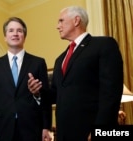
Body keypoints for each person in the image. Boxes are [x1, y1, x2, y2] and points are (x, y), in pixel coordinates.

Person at [28, 6, 123, 141]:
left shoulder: (104, 45)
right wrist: (37, 92)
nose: (57, 26)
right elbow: (56, 95)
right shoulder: (60, 59)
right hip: (64, 134)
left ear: (76, 20)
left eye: (61, 21)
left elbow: (111, 93)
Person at [0, 17, 52, 141]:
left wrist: (46, 127)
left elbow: (46, 99)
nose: (15, 33)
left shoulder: (38, 63)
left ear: (24, 36)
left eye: (19, 31)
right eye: (11, 30)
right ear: (5, 36)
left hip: (31, 127)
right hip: (2, 127)